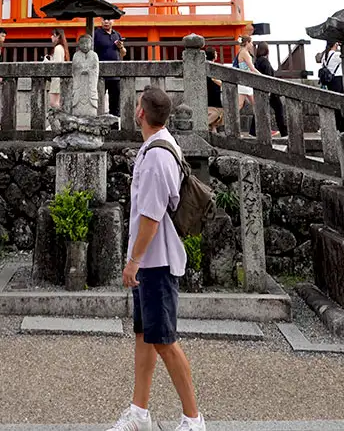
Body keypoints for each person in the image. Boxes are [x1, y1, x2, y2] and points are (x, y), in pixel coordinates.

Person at [107, 87, 204, 431]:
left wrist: (133, 260)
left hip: (155, 260)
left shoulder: (156, 157)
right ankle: (139, 411)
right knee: (146, 334)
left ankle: (193, 419)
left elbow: (149, 216)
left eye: (136, 106)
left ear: (141, 115)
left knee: (164, 339)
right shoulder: (162, 145)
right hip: (153, 257)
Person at [249, 42, 287, 138]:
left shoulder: (257, 61)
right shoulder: (265, 62)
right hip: (269, 90)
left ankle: (253, 130)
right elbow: (269, 76)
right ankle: (283, 131)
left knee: (259, 109)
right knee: (279, 109)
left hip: (260, 89)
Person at [93, 18, 124, 118]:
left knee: (115, 102)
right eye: (104, 19)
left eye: (109, 19)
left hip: (115, 74)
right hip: (100, 73)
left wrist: (121, 47)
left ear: (113, 21)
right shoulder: (96, 34)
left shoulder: (117, 34)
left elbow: (123, 53)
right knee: (98, 101)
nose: (106, 22)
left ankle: (114, 125)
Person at [235, 36, 261, 114]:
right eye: (251, 42)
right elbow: (252, 68)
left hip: (243, 81)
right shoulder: (245, 53)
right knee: (256, 104)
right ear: (247, 43)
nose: (252, 45)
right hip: (246, 81)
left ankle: (224, 121)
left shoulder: (241, 51)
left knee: (239, 105)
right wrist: (261, 75)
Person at [46, 28, 69, 109]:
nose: (51, 37)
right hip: (58, 79)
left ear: (58, 36)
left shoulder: (58, 48)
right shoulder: (62, 47)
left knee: (54, 103)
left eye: (53, 35)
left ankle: (62, 118)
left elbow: (57, 65)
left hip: (56, 79)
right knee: (56, 103)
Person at [204, 47, 223, 131]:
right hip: (212, 94)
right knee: (217, 113)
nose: (216, 54)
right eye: (215, 53)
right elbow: (213, 79)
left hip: (212, 93)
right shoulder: (212, 66)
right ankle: (201, 127)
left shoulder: (206, 65)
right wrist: (222, 84)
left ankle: (213, 133)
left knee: (215, 121)